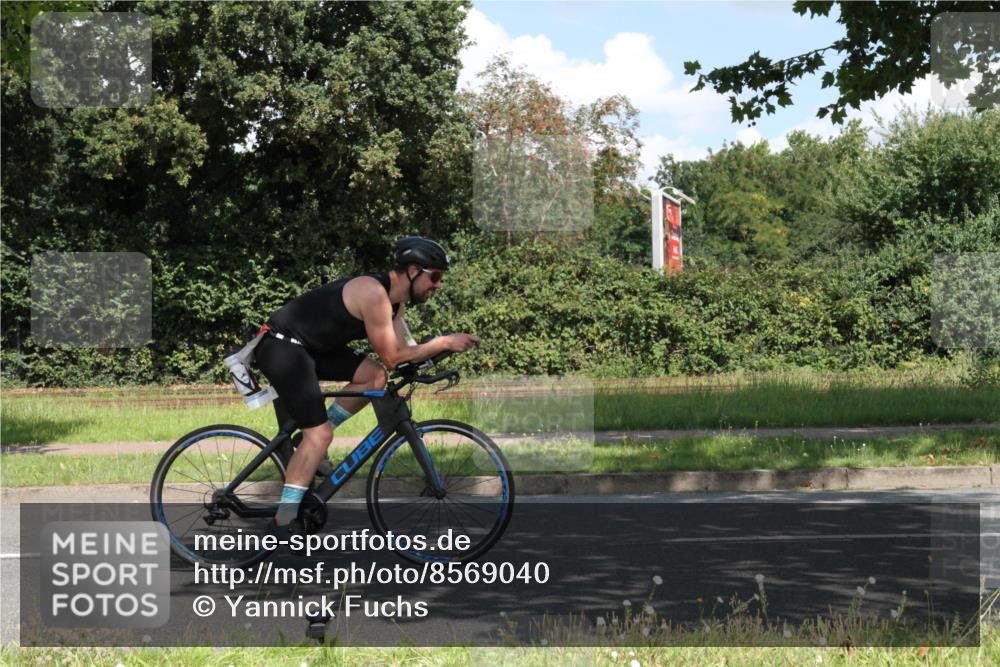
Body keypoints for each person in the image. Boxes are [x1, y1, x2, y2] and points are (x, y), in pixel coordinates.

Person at [253, 236, 479, 530]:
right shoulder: (374, 295)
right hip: (281, 347)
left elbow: (403, 354)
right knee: (318, 436)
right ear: (413, 271)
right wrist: (443, 342)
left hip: (311, 348)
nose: (438, 285)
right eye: (434, 277)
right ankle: (283, 521)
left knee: (374, 377)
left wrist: (433, 359)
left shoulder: (396, 304)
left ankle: (308, 448)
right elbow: (393, 357)